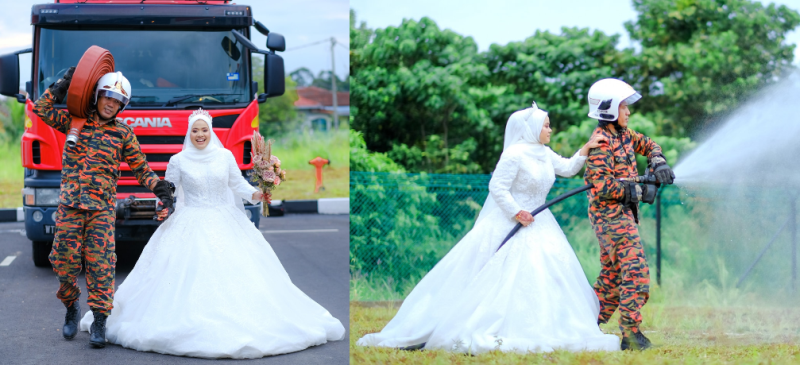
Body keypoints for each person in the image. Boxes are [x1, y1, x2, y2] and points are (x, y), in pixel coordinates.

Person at [78, 108, 345, 358]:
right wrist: (164, 206)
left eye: (204, 130)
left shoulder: (225, 156)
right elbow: (169, 191)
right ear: (189, 133)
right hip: (189, 221)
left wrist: (258, 193)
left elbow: (237, 184)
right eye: (195, 131)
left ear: (211, 131)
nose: (200, 135)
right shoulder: (178, 160)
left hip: (225, 219)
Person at [357, 102, 617, 354]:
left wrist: (587, 147)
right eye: (546, 125)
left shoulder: (543, 152)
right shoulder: (514, 154)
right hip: (512, 222)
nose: (550, 130)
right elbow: (497, 187)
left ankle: (552, 325)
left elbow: (568, 168)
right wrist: (517, 211)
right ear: (531, 128)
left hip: (541, 220)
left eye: (550, 126)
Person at [33, 69, 174, 348]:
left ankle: (99, 320)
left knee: (102, 266)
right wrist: (64, 84)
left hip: (101, 211)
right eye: (107, 96)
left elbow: (141, 167)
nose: (111, 103)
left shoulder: (123, 133)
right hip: (70, 207)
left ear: (122, 105)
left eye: (117, 100)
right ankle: (71, 306)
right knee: (62, 263)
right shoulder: (74, 121)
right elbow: (41, 108)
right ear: (97, 96)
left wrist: (159, 188)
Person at [583, 78, 675, 350]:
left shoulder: (624, 135)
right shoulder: (601, 143)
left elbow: (650, 144)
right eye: (624, 107)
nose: (628, 112)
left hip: (623, 217)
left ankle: (583, 325)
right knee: (636, 272)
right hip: (610, 219)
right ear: (609, 109)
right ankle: (631, 334)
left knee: (611, 280)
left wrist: (658, 162)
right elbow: (602, 187)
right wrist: (640, 188)